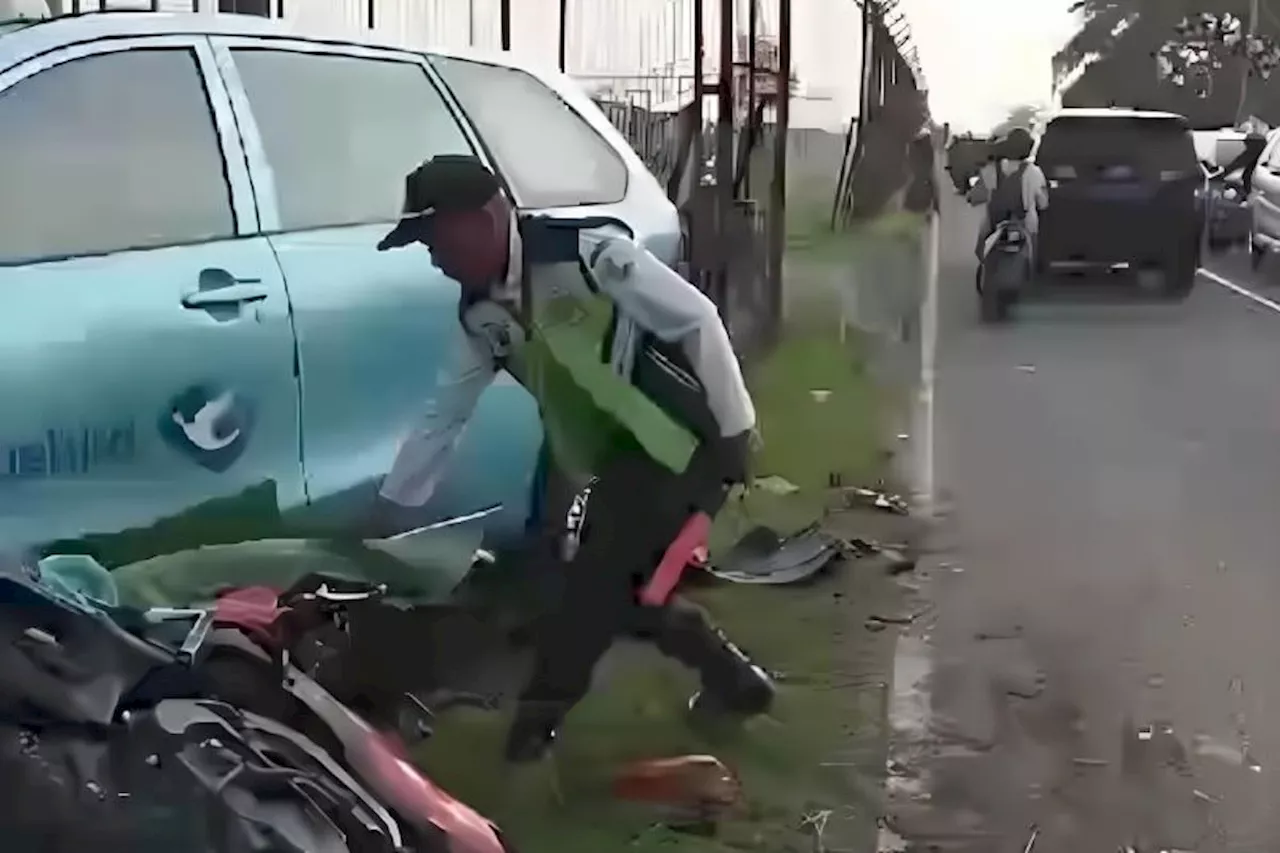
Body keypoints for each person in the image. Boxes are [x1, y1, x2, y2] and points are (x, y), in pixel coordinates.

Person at [373, 154, 776, 764]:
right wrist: (390, 516)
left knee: (589, 592)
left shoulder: (586, 254)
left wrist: (735, 432)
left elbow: (697, 317)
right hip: (615, 458)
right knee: (628, 593)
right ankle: (737, 685)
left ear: (486, 219)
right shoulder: (481, 315)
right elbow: (443, 414)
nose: (433, 256)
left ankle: (531, 734)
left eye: (436, 237)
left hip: (680, 443)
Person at [974, 126, 1047, 264]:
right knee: (1035, 249)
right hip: (1024, 221)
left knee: (981, 247)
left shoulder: (992, 169)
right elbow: (1043, 202)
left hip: (995, 220)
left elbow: (978, 194)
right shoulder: (1033, 172)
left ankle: (985, 265)